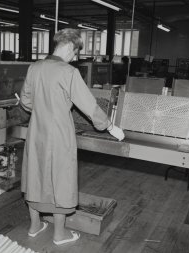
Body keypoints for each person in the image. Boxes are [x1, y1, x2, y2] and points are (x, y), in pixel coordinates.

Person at [20, 28, 124, 245]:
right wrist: (109, 126)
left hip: (36, 132)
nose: (74, 58)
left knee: (34, 176)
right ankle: (59, 234)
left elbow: (26, 102)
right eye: (75, 53)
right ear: (70, 47)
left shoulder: (34, 67)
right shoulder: (68, 72)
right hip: (59, 135)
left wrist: (43, 108)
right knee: (62, 180)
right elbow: (88, 105)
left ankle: (34, 226)